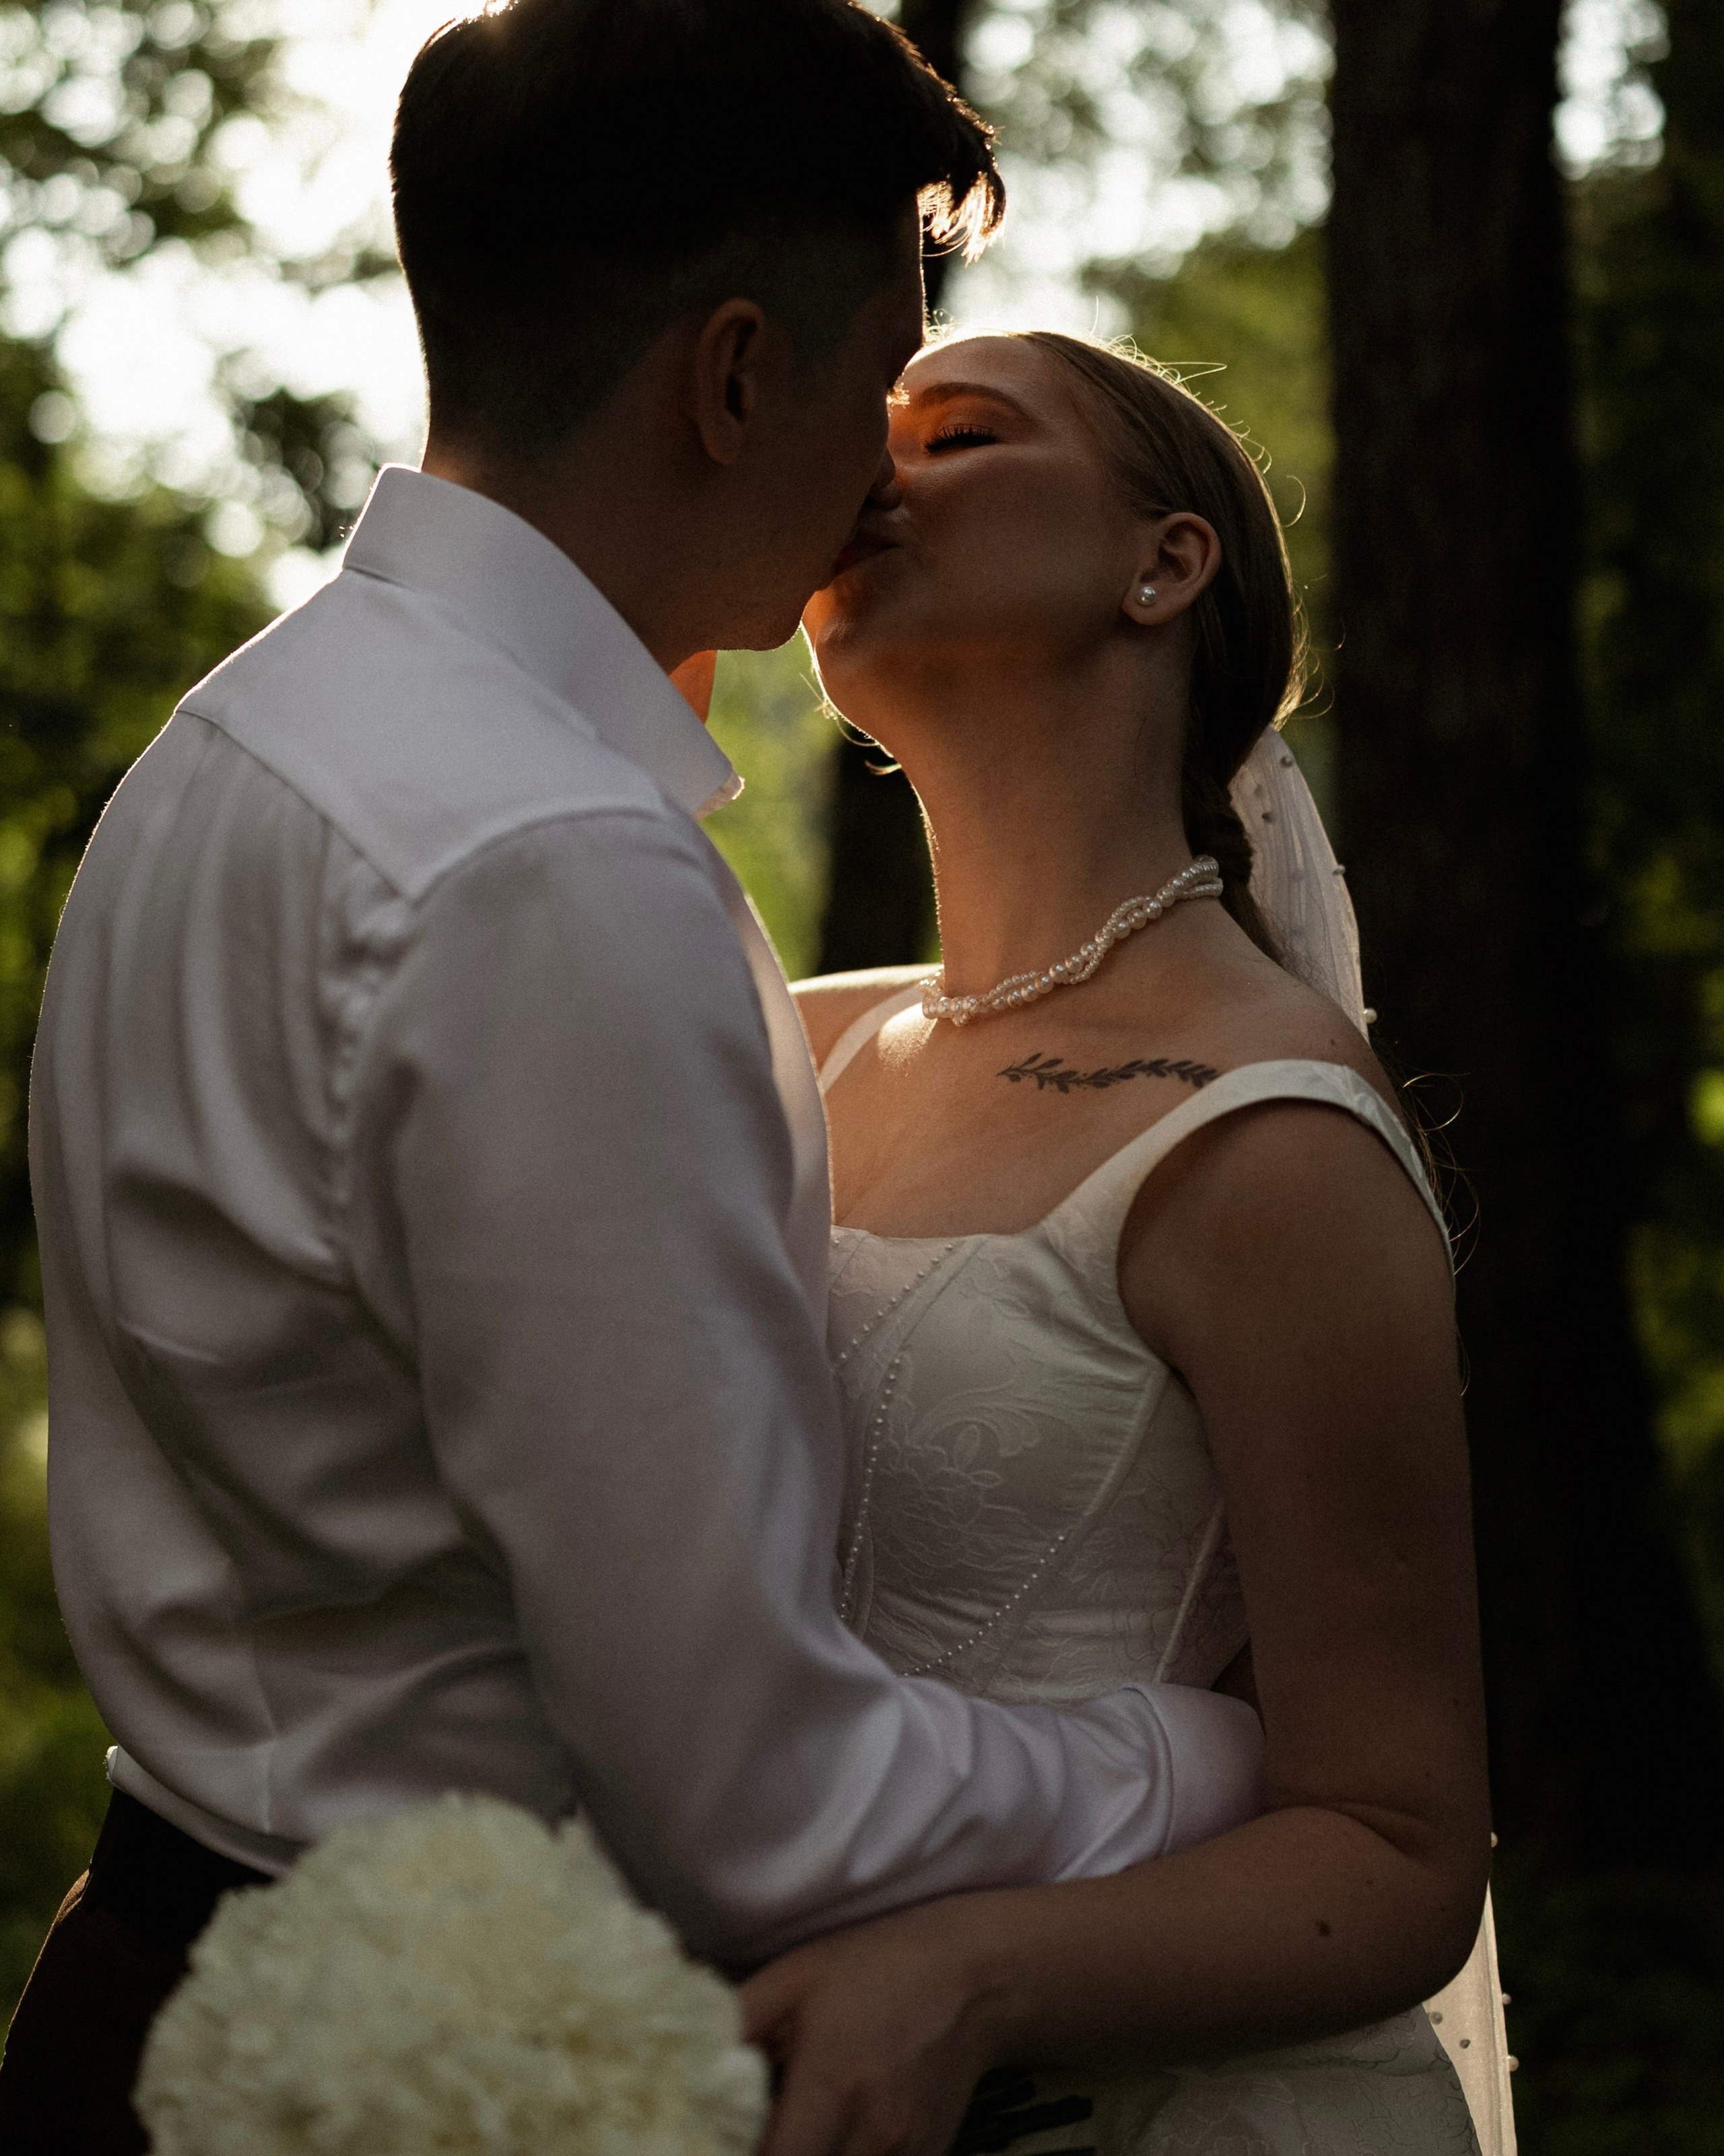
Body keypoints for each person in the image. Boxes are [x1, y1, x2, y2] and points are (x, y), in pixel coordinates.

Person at [0, 8, 1271, 2151]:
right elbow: (759, 1804)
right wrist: (1205, 1761)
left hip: (174, 1975)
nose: (888, 461)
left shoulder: (238, 742)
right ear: (739, 373)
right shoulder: (553, 869)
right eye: (883, 372)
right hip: (418, 2073)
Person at [743, 331, 1516, 2156]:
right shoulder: (785, 1045)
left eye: (961, 437)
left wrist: (966, 1978)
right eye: (867, 439)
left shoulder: (1267, 1132)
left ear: (1163, 565)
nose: (874, 476)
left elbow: (1399, 1848)